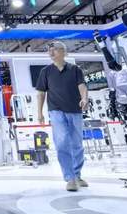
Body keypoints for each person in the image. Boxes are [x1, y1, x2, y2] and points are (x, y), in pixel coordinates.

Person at [36, 41, 89, 192]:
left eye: (54, 50)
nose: (51, 53)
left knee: (77, 144)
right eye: (49, 50)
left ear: (64, 52)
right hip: (56, 111)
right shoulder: (45, 71)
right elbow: (41, 93)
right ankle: (70, 178)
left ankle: (77, 175)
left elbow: (82, 86)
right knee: (62, 143)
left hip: (75, 110)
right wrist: (39, 113)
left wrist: (84, 98)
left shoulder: (75, 69)